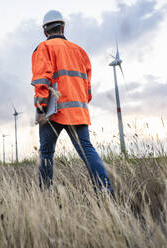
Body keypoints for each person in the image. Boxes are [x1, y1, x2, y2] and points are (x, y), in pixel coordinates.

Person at [31, 10, 113, 193]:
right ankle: (105, 191)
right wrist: (78, 103)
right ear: (63, 27)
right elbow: (88, 89)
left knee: (46, 154)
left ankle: (45, 194)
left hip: (52, 112)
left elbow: (42, 81)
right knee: (87, 150)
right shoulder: (80, 51)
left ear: (45, 31)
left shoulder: (43, 49)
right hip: (78, 110)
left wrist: (40, 108)